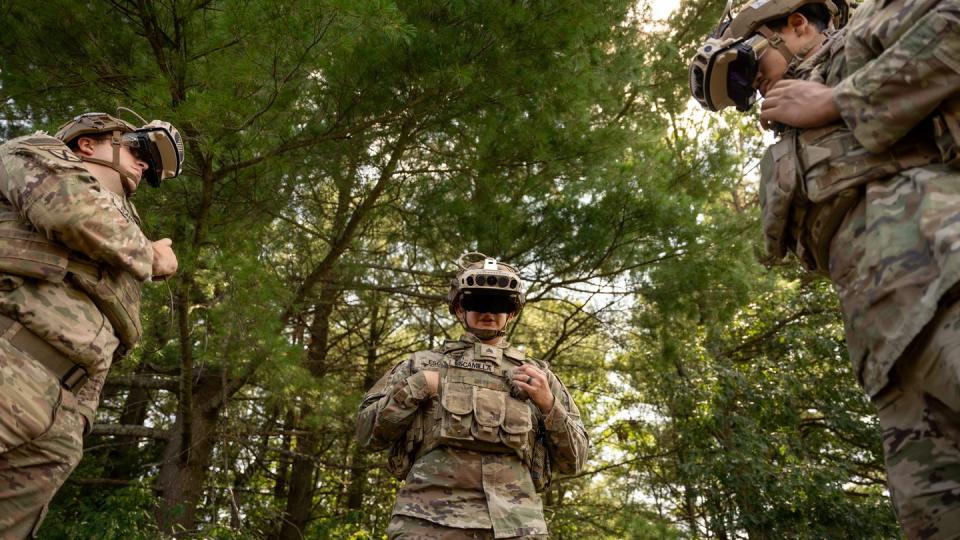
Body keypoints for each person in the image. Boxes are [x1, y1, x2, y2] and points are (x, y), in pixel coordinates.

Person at [691, 0, 960, 535]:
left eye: (750, 71)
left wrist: (841, 99)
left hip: (944, 280)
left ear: (796, 25)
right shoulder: (793, 130)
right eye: (741, 93)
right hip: (887, 352)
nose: (756, 94)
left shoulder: (858, 39)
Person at [0, 109, 183, 538]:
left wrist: (78, 418)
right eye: (141, 149)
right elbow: (68, 211)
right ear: (89, 143)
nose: (146, 167)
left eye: (154, 170)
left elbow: (111, 334)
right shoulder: (34, 152)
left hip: (63, 411)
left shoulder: (125, 235)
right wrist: (150, 255)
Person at [357, 253, 589, 539]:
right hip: (427, 523)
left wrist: (549, 404)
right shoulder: (420, 365)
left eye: (499, 303)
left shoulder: (538, 376)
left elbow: (574, 460)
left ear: (512, 312)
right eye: (478, 301)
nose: (489, 312)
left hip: (517, 526)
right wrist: (418, 386)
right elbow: (367, 434)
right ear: (458, 308)